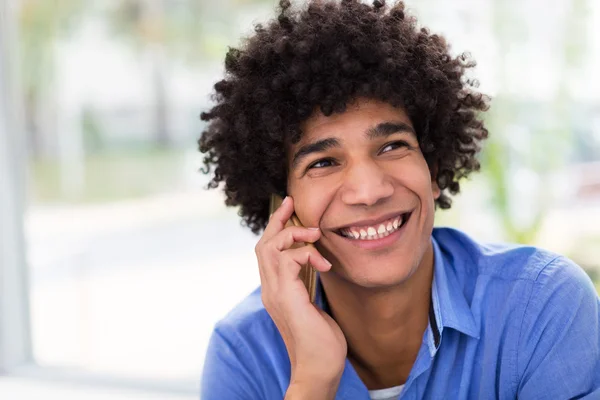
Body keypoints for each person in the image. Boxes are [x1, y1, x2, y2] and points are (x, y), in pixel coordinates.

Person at [198, 1, 600, 398]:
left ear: (434, 169)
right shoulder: (243, 356)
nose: (370, 191)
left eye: (392, 146)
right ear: (282, 206)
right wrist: (312, 380)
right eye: (323, 162)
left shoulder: (541, 306)